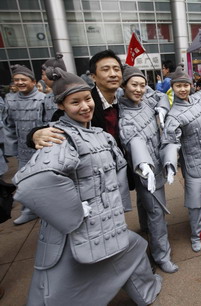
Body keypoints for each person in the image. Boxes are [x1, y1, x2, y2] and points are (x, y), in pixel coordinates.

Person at [13, 67, 162, 305]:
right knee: (61, 286)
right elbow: (33, 183)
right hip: (79, 231)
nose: (84, 106)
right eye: (75, 102)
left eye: (87, 99)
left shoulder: (99, 133)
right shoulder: (59, 136)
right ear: (61, 106)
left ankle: (146, 291)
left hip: (105, 223)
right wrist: (73, 211)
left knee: (133, 248)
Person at [118, 66, 178, 273]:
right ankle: (162, 255)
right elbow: (131, 139)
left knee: (145, 203)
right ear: (123, 86)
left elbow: (160, 95)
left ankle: (145, 228)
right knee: (157, 211)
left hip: (156, 159)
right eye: (134, 85)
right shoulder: (123, 112)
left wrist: (162, 108)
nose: (139, 89)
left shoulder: (148, 99)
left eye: (142, 85)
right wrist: (144, 164)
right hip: (144, 166)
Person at [161, 66, 201, 253]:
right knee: (196, 202)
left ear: (190, 86)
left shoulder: (198, 98)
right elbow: (170, 141)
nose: (182, 89)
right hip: (194, 162)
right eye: (178, 86)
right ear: (172, 88)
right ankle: (197, 234)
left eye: (185, 85)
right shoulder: (173, 116)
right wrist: (170, 163)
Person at [4, 64, 47, 225]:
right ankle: (28, 211)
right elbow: (9, 126)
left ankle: (47, 210)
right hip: (23, 151)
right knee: (22, 183)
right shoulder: (11, 100)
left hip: (42, 149)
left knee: (45, 182)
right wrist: (13, 149)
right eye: (17, 80)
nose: (20, 82)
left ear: (33, 81)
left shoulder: (43, 99)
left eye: (24, 79)